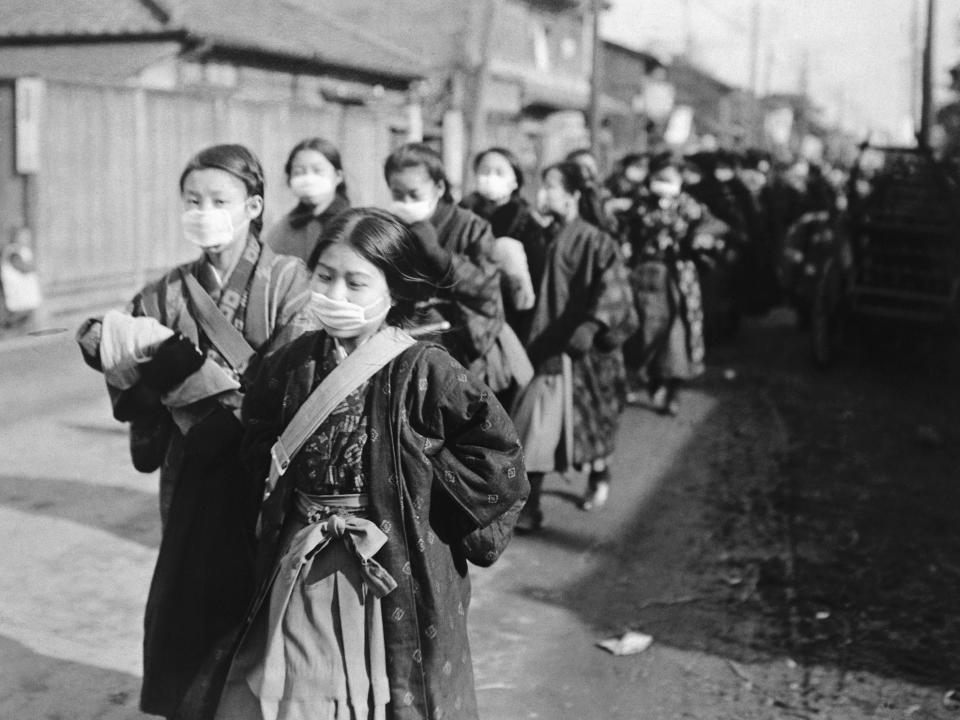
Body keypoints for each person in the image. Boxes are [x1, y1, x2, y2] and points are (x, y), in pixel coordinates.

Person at [200, 208, 528, 720]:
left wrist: (419, 482)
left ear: (395, 290)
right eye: (325, 277)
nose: (336, 295)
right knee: (299, 694)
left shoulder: (428, 370)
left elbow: (497, 461)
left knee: (390, 698)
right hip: (304, 559)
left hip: (394, 566)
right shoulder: (291, 363)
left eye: (356, 283)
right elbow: (258, 435)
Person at [75, 144, 314, 719]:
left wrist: (192, 378)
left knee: (263, 595)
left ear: (253, 206)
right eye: (192, 200)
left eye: (219, 200)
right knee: (191, 594)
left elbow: (294, 376)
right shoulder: (161, 293)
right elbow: (128, 378)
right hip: (189, 469)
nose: (203, 211)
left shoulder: (289, 280)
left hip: (263, 465)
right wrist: (124, 351)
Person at [511, 162, 637, 533]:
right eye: (542, 186)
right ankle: (530, 506)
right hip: (540, 343)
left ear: (574, 195)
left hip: (581, 353)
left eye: (551, 186)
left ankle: (600, 476)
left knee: (590, 428)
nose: (543, 194)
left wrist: (592, 325)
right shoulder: (536, 233)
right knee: (534, 428)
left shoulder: (596, 240)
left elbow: (616, 289)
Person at [383, 142, 507, 387]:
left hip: (460, 348)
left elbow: (486, 287)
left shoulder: (471, 226)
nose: (406, 202)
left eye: (414, 194)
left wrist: (439, 256)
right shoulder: (391, 227)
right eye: (398, 195)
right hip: (404, 343)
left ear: (439, 187)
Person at [626, 153, 707, 416]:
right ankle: (652, 383)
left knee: (675, 333)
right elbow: (628, 235)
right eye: (659, 178)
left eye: (669, 179)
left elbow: (712, 228)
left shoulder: (691, 207)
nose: (663, 184)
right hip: (644, 274)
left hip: (678, 277)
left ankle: (673, 388)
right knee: (645, 330)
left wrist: (698, 240)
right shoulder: (640, 206)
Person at [460, 146, 543, 353]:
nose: (490, 177)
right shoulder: (462, 213)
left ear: (515, 181)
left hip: (510, 314)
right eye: (485, 171)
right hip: (465, 312)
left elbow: (537, 276)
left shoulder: (525, 221)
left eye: (499, 172)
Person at [261, 137, 350, 268]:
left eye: (317, 170)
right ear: (289, 179)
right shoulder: (282, 229)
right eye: (299, 172)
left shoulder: (351, 225)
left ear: (338, 176)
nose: (309, 179)